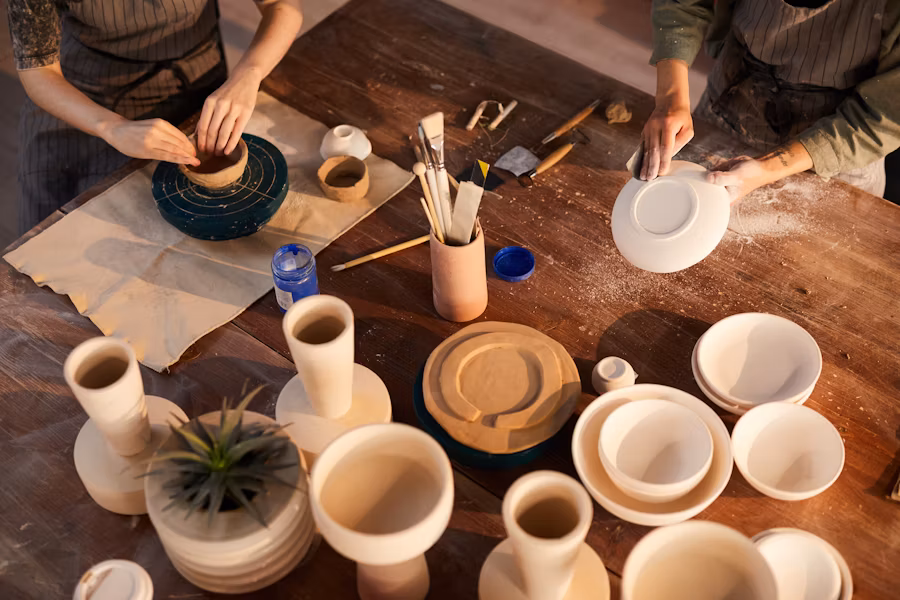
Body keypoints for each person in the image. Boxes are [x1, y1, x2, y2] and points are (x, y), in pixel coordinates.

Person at [9, 0, 303, 233]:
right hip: (83, 97)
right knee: (54, 238)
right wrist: (111, 127)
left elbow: (282, 6)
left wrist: (248, 74)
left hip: (195, 83)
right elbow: (39, 72)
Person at [641, 0, 900, 201]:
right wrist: (670, 98)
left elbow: (883, 117)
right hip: (729, 102)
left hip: (840, 151)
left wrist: (768, 168)